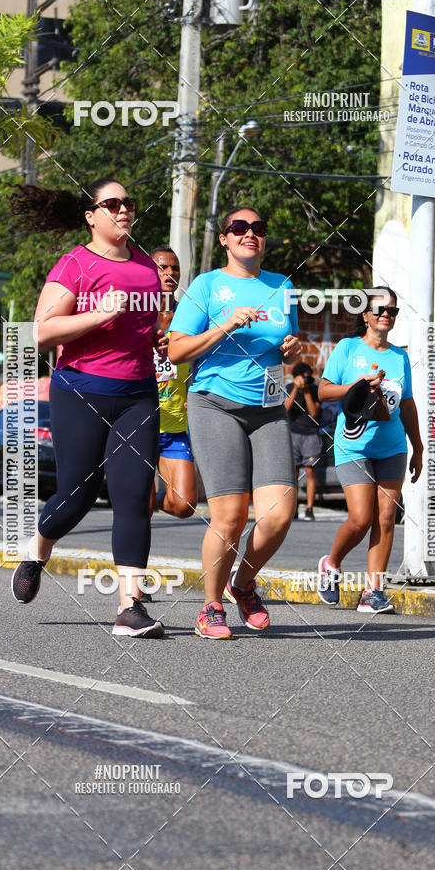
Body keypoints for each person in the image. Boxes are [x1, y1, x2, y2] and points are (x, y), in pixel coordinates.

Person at [9, 178, 166, 638]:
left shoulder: (145, 266)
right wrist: (99, 315)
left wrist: (153, 337)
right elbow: (38, 332)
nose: (123, 210)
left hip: (138, 393)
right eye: (112, 204)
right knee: (77, 495)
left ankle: (129, 608)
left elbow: (143, 327)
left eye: (128, 203)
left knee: (134, 495)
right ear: (91, 215)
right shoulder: (75, 264)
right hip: (80, 390)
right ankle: (37, 550)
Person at [168, 206, 302, 639]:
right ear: (224, 239)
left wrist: (291, 349)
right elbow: (176, 351)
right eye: (239, 228)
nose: (250, 234)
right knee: (228, 517)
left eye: (258, 229)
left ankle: (242, 583)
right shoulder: (206, 286)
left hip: (266, 408)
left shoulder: (282, 286)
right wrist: (225, 325)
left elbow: (286, 347)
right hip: (215, 403)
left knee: (279, 515)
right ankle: (210, 607)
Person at [316, 287, 423, 613]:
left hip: (392, 447)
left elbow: (407, 405)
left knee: (387, 517)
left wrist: (417, 447)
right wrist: (359, 386)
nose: (386, 316)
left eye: (392, 311)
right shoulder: (348, 349)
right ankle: (331, 564)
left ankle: (373, 591)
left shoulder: (399, 356)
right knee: (361, 518)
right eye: (379, 310)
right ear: (365, 315)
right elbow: (323, 391)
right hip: (354, 445)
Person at [150, 245, 197, 519]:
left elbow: (202, 357)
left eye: (175, 268)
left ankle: (152, 501)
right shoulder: (136, 314)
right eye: (162, 267)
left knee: (184, 505)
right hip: (137, 422)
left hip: (175, 425)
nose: (170, 273)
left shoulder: (189, 316)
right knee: (135, 510)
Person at [285, 361, 321, 520]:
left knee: (310, 471)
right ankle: (293, 508)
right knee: (294, 472)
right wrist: (295, 389)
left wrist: (306, 391)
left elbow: (313, 413)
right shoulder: (288, 388)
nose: (305, 380)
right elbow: (285, 409)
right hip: (293, 434)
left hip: (310, 434)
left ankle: (309, 508)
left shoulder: (314, 389)